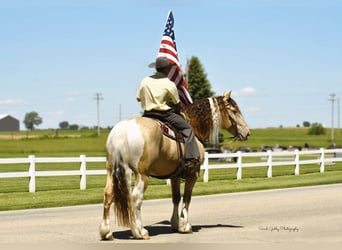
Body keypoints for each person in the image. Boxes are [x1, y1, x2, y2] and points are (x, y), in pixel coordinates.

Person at [136, 56, 200, 167]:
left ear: (156, 68)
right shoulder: (169, 84)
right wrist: (177, 111)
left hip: (147, 114)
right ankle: (190, 158)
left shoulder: (145, 80)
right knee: (188, 129)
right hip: (164, 114)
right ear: (167, 69)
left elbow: (138, 98)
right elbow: (177, 104)